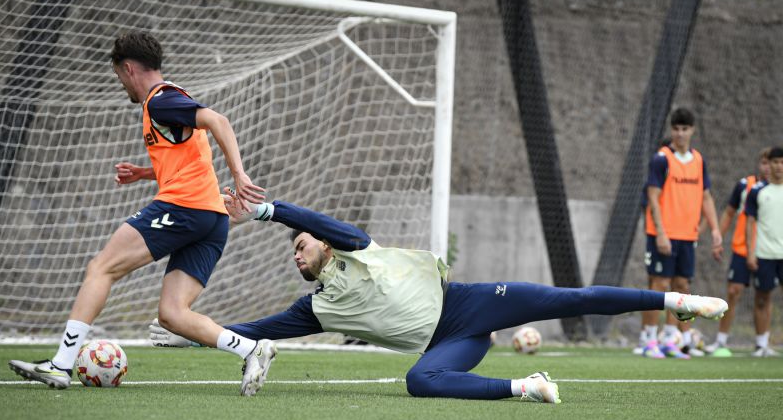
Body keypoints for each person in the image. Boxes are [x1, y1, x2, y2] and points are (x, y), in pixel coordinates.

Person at [149, 193, 729, 403]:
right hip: (452, 345)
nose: (296, 253)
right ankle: (528, 387)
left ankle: (678, 304)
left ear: (324, 245)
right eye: (293, 250)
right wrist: (185, 327)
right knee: (419, 382)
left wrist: (271, 212)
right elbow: (254, 330)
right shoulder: (314, 310)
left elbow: (315, 220)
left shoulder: (354, 247)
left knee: (567, 297)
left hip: (470, 306)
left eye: (301, 246)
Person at [9, 31, 276, 396]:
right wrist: (145, 172)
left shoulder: (160, 100)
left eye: (120, 76)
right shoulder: (172, 101)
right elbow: (190, 155)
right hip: (211, 219)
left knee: (101, 268)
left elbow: (220, 122)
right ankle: (252, 349)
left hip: (185, 208)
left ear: (129, 68)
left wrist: (240, 175)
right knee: (172, 314)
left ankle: (61, 365)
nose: (122, 84)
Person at [639, 108, 722, 359]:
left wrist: (715, 228)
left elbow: (706, 196)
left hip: (687, 236)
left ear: (692, 130)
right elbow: (652, 198)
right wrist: (661, 233)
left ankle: (670, 339)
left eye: (685, 129)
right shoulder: (661, 159)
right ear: (671, 130)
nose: (680, 133)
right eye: (676, 128)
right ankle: (649, 340)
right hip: (663, 234)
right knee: (659, 285)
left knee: (682, 287)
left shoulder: (698, 160)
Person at [705, 147, 772, 354]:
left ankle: (762, 343)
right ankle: (721, 340)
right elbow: (728, 213)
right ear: (759, 164)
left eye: (772, 163)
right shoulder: (745, 186)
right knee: (733, 293)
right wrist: (719, 240)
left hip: (767, 251)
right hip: (742, 249)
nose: (768, 167)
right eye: (764, 163)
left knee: (764, 296)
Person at [745, 146, 783, 357]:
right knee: (762, 298)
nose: (778, 167)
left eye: (782, 162)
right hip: (765, 253)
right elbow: (750, 223)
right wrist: (751, 252)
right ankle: (761, 344)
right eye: (775, 162)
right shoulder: (758, 191)